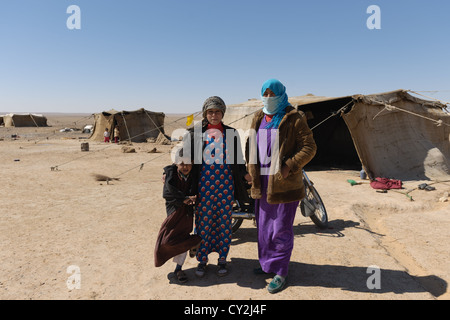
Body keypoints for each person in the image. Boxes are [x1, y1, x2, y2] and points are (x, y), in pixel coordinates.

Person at [246, 79, 317, 293]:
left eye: (272, 93)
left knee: (281, 229)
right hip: (263, 180)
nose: (268, 97)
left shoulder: (294, 117)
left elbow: (310, 147)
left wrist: (289, 165)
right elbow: (251, 144)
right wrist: (250, 171)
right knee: (264, 226)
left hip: (284, 183)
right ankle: (267, 264)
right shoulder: (259, 116)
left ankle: (281, 271)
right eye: (265, 93)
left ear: (281, 94)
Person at [182, 96, 251, 278]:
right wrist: (170, 173)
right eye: (210, 112)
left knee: (223, 223)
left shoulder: (231, 133)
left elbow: (239, 160)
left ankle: (222, 260)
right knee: (203, 223)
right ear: (205, 113)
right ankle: (202, 261)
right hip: (203, 186)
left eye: (218, 112)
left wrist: (245, 174)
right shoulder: (195, 133)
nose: (214, 115)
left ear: (222, 113)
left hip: (226, 186)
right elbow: (183, 158)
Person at [154, 156, 201, 283]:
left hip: (187, 214)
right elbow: (167, 194)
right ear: (176, 163)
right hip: (174, 214)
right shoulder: (171, 175)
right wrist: (183, 199)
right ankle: (195, 241)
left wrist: (193, 197)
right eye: (182, 164)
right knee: (165, 242)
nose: (185, 167)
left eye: (188, 164)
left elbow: (196, 191)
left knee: (182, 238)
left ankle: (178, 269)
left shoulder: (194, 175)